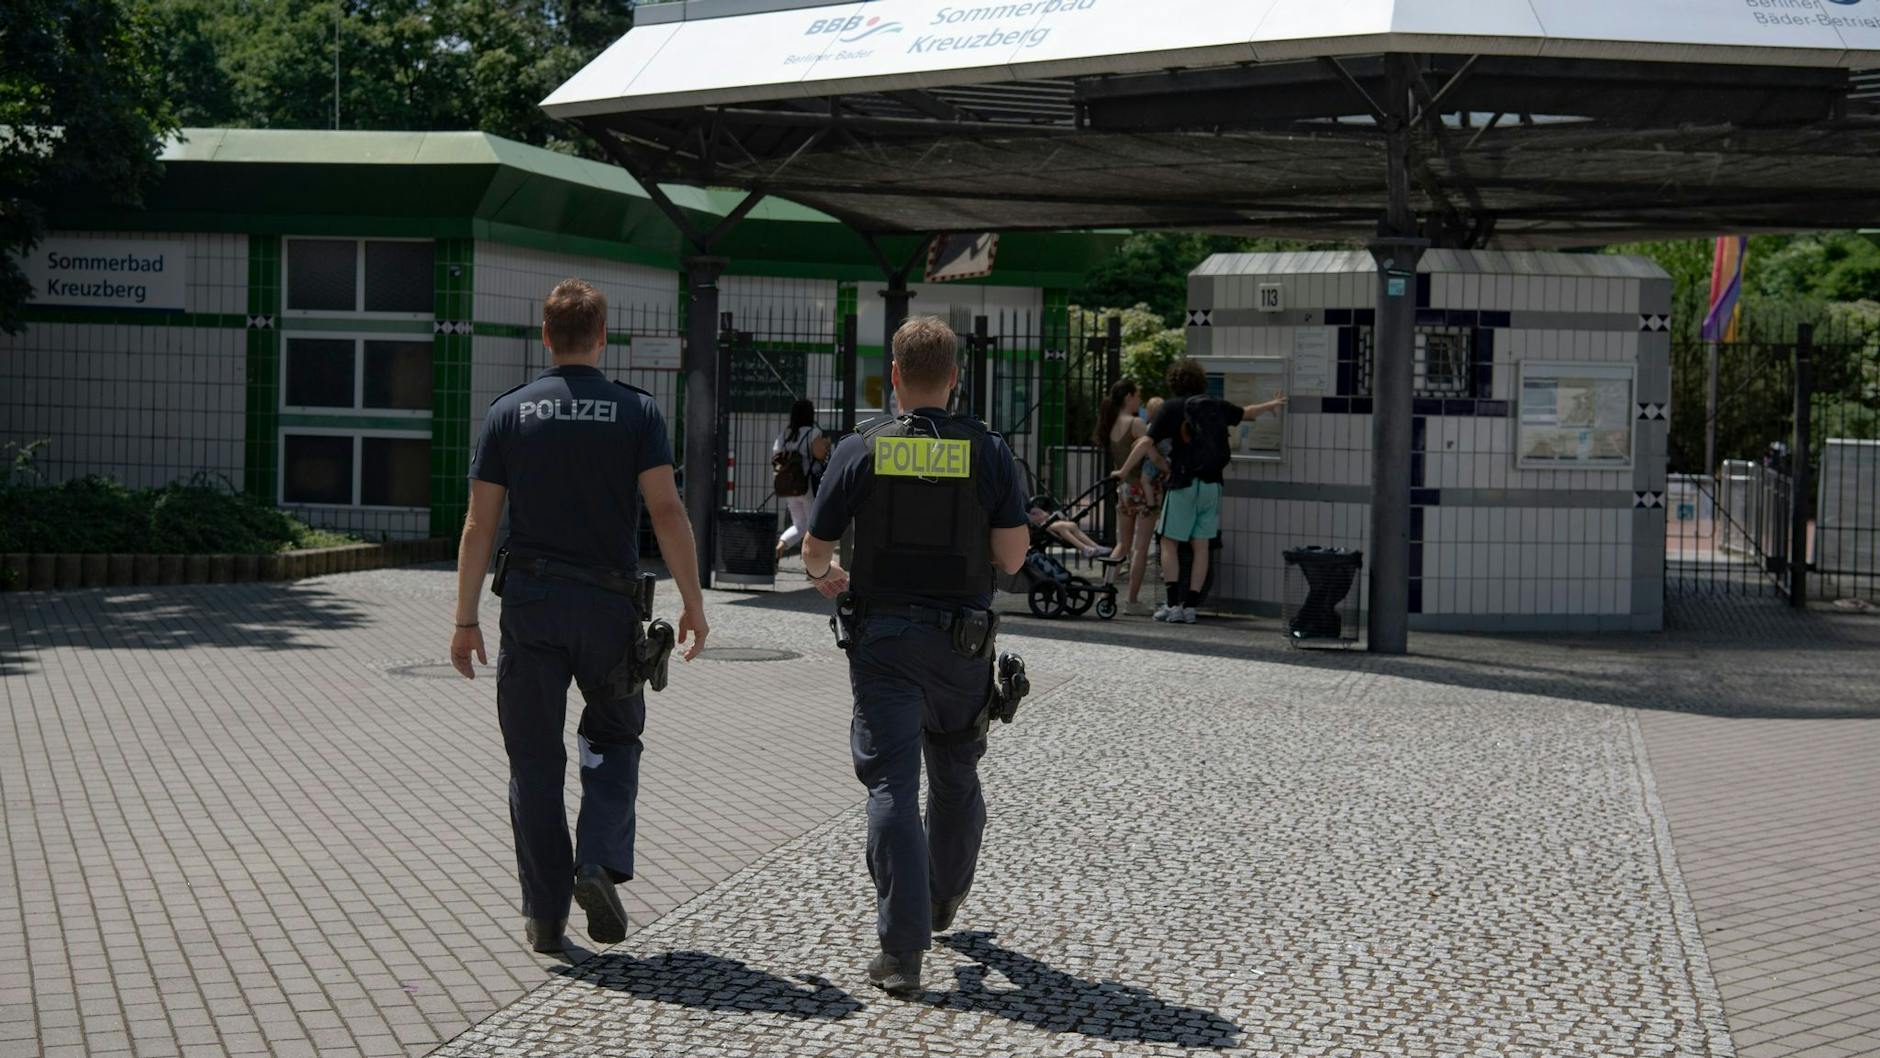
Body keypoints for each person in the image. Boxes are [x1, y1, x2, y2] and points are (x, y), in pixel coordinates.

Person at [449, 278, 710, 955]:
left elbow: (481, 522)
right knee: (615, 738)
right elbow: (667, 512)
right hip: (609, 609)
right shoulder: (636, 412)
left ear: (545, 337)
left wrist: (464, 618)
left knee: (533, 762)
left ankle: (544, 915)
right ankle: (595, 857)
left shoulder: (510, 412)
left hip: (531, 606)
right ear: (601, 338)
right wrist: (693, 603)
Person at [798, 316, 1029, 997]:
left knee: (892, 786)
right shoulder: (989, 451)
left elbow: (816, 549)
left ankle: (902, 953)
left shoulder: (861, 447)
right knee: (955, 772)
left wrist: (827, 576)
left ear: (893, 375)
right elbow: (1012, 557)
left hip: (886, 644)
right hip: (961, 646)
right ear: (955, 378)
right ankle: (940, 899)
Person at [1116, 357, 1284, 623]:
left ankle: (1173, 605)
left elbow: (1146, 441)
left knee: (1168, 542)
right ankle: (1192, 606)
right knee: (1201, 546)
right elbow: (1246, 413)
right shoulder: (1214, 405)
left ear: (1174, 381)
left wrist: (1124, 471)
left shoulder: (1171, 408)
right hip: (1212, 485)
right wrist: (1272, 405)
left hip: (1182, 484)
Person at [1095, 380, 1159, 612]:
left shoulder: (1111, 423)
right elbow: (1152, 455)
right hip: (1142, 489)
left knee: (1122, 544)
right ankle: (1132, 601)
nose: (1139, 400)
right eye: (1137, 395)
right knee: (1140, 548)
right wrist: (1165, 466)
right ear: (1128, 396)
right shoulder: (1136, 423)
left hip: (1124, 491)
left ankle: (1105, 592)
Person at [773, 399, 823, 560]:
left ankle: (780, 546)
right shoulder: (813, 433)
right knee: (813, 526)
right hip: (807, 486)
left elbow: (775, 455)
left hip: (789, 486)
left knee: (799, 525)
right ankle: (812, 562)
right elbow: (820, 455)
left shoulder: (785, 434)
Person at [1026, 502, 1112, 559]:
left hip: (1047, 523)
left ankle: (1095, 546)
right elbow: (1034, 519)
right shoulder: (1027, 512)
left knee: (1072, 525)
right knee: (1062, 526)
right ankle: (1084, 548)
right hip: (1042, 526)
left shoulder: (1031, 507)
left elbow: (1045, 515)